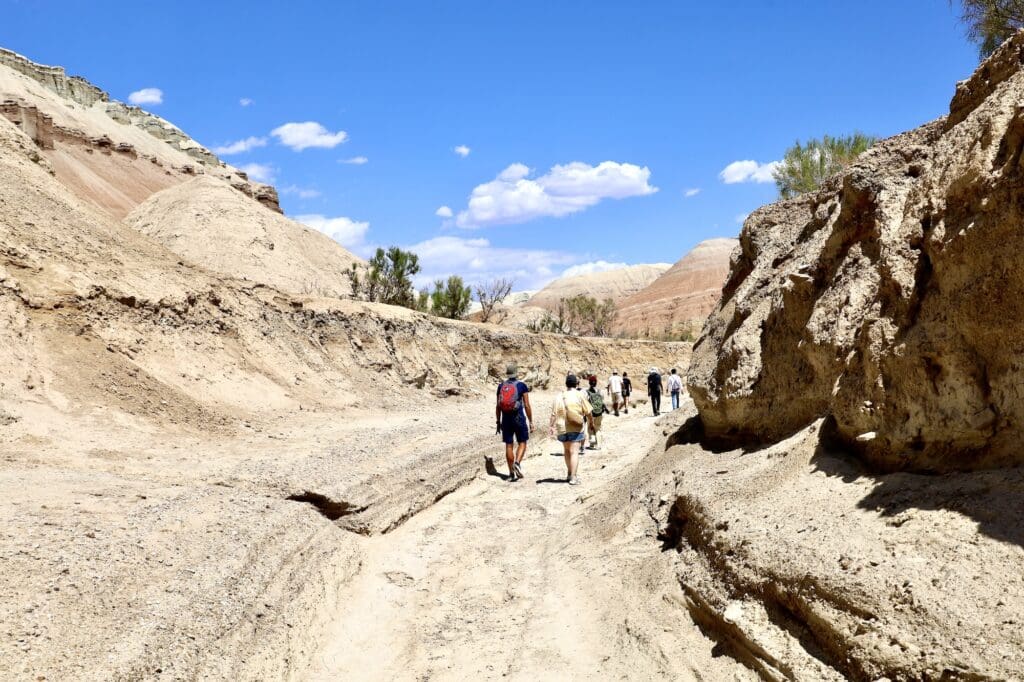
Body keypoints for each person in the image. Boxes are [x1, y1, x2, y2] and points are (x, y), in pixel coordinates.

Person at [549, 373, 594, 485]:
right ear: (576, 383)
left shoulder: (559, 396)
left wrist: (551, 426)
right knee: (574, 452)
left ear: (566, 384)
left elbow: (553, 414)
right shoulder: (579, 395)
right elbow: (588, 412)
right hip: (574, 426)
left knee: (566, 451)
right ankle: (573, 477)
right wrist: (591, 423)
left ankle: (569, 474)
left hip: (561, 427)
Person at [495, 363, 533, 481]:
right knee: (522, 442)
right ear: (517, 373)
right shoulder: (521, 386)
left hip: (505, 418)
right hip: (518, 417)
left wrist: (498, 422)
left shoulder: (501, 386)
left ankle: (511, 473)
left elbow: (498, 406)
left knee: (509, 445)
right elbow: (526, 405)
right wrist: (531, 421)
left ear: (507, 373)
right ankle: (517, 463)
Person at [585, 375, 606, 450]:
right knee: (598, 428)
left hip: (591, 413)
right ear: (596, 383)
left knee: (590, 427)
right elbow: (603, 401)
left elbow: (586, 403)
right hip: (599, 413)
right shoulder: (600, 392)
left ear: (589, 383)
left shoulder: (587, 392)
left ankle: (592, 444)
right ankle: (599, 445)